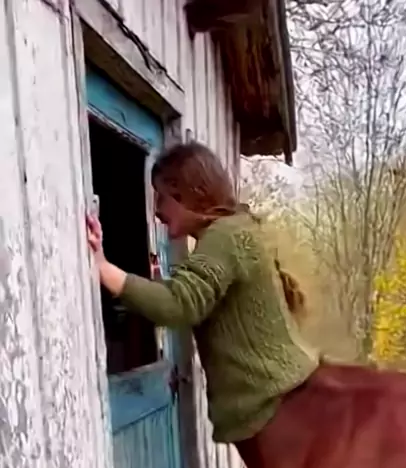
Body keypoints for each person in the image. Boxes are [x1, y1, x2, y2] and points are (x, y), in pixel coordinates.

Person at [86, 140, 319, 445]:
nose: (156, 211)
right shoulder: (235, 230)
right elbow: (184, 293)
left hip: (273, 405)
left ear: (186, 194)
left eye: (160, 197)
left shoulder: (224, 236)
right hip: (282, 397)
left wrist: (103, 268)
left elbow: (178, 304)